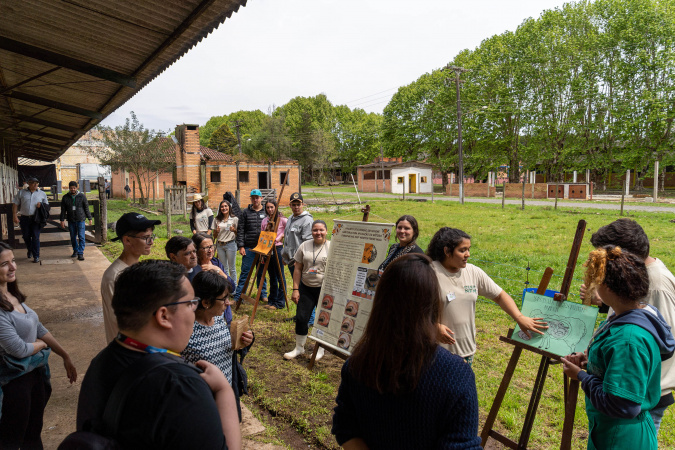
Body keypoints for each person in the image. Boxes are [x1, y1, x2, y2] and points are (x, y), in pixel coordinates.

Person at [76, 260, 241, 449]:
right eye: (190, 304)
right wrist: (223, 390)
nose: (194, 310)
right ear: (164, 316)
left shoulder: (101, 362)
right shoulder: (181, 386)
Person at [331, 253, 482, 449]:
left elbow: (345, 428)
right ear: (431, 304)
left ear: (380, 301)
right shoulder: (456, 374)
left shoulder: (357, 365)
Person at [562, 246, 675, 450]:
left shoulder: (628, 339)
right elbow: (624, 369)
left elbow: (622, 405)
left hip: (622, 438)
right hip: (614, 431)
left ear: (608, 288)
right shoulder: (635, 315)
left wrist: (582, 376)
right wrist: (594, 363)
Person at [579, 218, 675, 432]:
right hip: (624, 387)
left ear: (624, 256)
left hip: (638, 395)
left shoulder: (657, 285)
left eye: (608, 258)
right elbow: (635, 314)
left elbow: (661, 340)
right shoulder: (634, 277)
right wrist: (605, 303)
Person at [426, 227, 547, 365]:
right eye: (462, 250)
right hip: (435, 352)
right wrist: (434, 327)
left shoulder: (473, 272)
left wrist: (519, 317)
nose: (468, 254)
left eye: (469, 249)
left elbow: (499, 296)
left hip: (466, 352)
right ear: (447, 251)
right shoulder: (429, 272)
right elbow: (411, 310)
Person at [0, 242, 77, 449]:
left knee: (33, 434)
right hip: (14, 383)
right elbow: (18, 349)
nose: (13, 267)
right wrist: (42, 345)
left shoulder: (12, 295)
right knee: (12, 439)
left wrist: (64, 355)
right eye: (4, 264)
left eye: (13, 261)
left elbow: (38, 326)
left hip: (34, 375)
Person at [182, 270, 254, 421]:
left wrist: (245, 340)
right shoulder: (185, 332)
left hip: (227, 393)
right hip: (202, 403)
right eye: (224, 299)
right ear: (206, 302)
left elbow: (226, 346)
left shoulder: (220, 316)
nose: (228, 303)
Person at [101, 213, 160, 343]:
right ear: (127, 240)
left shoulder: (138, 269)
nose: (151, 242)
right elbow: (125, 323)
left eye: (151, 237)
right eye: (145, 238)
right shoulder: (116, 276)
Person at [284, 220, 330, 361]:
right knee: (302, 318)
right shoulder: (304, 246)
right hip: (306, 288)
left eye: (321, 230)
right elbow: (297, 268)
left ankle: (320, 350)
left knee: (322, 320)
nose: (318, 233)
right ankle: (299, 347)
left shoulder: (332, 247)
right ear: (311, 231)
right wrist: (295, 289)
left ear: (326, 231)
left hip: (324, 289)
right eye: (315, 230)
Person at [280, 192, 314, 323]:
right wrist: (285, 256)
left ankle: (310, 319)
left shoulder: (307, 220)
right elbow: (288, 240)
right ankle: (300, 315)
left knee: (305, 290)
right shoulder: (290, 218)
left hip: (300, 263)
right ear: (290, 205)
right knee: (298, 289)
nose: (296, 207)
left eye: (298, 204)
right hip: (291, 261)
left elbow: (307, 243)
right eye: (293, 205)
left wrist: (300, 261)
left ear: (303, 204)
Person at [233, 189, 267, 303]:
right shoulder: (245, 212)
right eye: (253, 198)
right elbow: (241, 229)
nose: (255, 200)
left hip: (263, 248)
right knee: (245, 272)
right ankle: (239, 296)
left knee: (261, 272)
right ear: (251, 199)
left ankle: (262, 294)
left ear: (261, 198)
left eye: (257, 197)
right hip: (249, 247)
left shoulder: (266, 212)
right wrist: (241, 246)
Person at [193, 233, 235, 324]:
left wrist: (219, 271)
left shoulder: (216, 263)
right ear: (196, 250)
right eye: (206, 248)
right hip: (206, 319)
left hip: (224, 314)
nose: (210, 250)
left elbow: (232, 288)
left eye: (212, 246)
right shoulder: (194, 269)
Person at [12, 176, 49, 263]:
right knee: (26, 236)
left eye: (37, 183)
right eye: (33, 183)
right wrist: (14, 215)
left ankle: (36, 256)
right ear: (28, 183)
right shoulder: (21, 193)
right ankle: (30, 249)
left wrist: (41, 205)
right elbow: (15, 204)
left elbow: (47, 206)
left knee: (36, 237)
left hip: (36, 219)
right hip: (24, 218)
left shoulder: (42, 193)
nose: (35, 184)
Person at [261, 200, 287, 310]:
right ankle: (272, 300)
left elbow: (288, 230)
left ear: (276, 207)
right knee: (272, 276)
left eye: (272, 207)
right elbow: (262, 236)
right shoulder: (265, 221)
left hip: (278, 248)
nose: (270, 209)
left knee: (280, 276)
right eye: (267, 207)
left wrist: (281, 236)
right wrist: (263, 253)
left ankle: (280, 302)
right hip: (268, 249)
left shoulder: (282, 220)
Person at [60, 181, 93, 261]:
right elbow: (63, 210)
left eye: (74, 188)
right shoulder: (65, 197)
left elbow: (86, 208)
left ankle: (80, 253)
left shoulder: (82, 196)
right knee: (73, 236)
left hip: (80, 219)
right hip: (71, 220)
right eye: (71, 188)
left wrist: (89, 218)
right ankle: (75, 250)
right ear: (69, 188)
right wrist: (62, 220)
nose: (73, 189)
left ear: (77, 187)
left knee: (81, 236)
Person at [212, 200, 239, 284]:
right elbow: (214, 236)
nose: (224, 208)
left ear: (229, 207)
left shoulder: (234, 219)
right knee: (223, 268)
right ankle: (226, 286)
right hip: (220, 245)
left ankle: (234, 287)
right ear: (220, 208)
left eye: (226, 206)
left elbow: (238, 233)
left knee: (232, 268)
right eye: (222, 206)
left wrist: (234, 230)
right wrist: (216, 231)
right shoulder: (216, 219)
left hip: (230, 244)